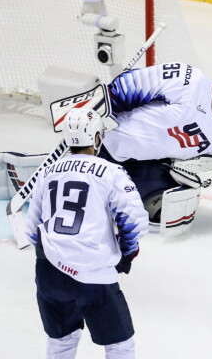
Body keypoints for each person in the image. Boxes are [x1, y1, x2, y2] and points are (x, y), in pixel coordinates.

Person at [25, 107, 150, 359]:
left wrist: (53, 255)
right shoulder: (110, 172)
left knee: (61, 341)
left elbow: (31, 229)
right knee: (119, 344)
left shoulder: (47, 171)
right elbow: (134, 221)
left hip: (49, 273)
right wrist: (126, 254)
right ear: (95, 138)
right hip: (93, 274)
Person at [98, 63, 212, 235]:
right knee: (90, 204)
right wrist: (102, 110)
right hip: (104, 145)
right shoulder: (193, 82)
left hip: (142, 164)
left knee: (167, 206)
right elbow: (135, 82)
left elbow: (185, 156)